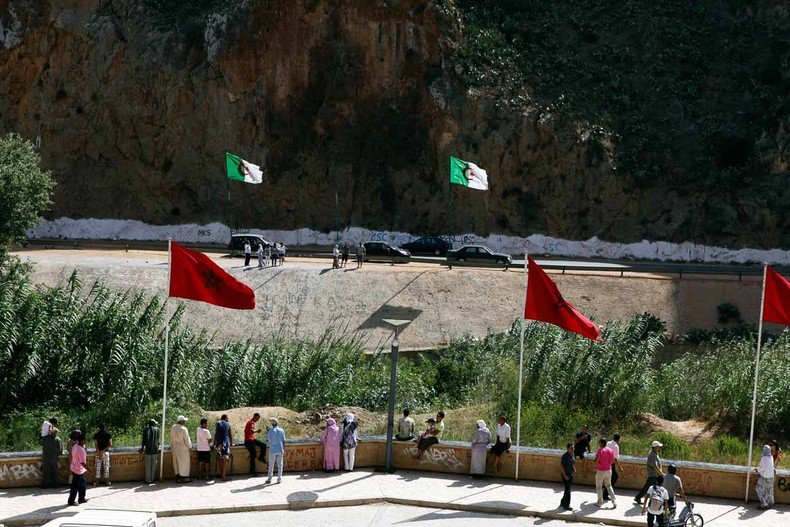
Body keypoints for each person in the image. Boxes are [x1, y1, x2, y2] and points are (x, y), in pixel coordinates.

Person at [595, 438, 617, 507]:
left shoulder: (600, 451)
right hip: (608, 470)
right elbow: (613, 461)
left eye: (599, 443)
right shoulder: (611, 450)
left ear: (601, 443)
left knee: (599, 486)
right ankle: (614, 502)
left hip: (600, 471)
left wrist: (597, 465)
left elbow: (597, 460)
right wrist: (608, 464)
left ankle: (600, 502)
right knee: (609, 486)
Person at [67, 434, 89, 506]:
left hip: (76, 468)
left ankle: (81, 498)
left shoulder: (75, 446)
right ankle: (71, 501)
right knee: (75, 486)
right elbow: (82, 462)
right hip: (77, 470)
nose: (86, 441)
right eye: (85, 440)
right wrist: (89, 469)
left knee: (82, 484)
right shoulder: (80, 450)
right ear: (82, 441)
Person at [170, 415, 192, 483]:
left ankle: (178, 478)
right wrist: (190, 447)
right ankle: (185, 478)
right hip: (183, 448)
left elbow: (171, 437)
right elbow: (187, 439)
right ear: (181, 421)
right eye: (184, 421)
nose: (185, 422)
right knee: (184, 463)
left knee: (176, 463)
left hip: (175, 448)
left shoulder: (173, 427)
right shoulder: (184, 429)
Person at [603, 434, 623, 501]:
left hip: (604, 462)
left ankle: (605, 493)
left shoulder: (608, 443)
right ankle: (606, 493)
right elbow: (615, 459)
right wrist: (620, 467)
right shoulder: (616, 446)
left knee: (610, 478)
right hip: (611, 464)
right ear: (618, 439)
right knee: (614, 477)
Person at [266, 417, 286, 484]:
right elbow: (284, 440)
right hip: (280, 449)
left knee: (271, 465)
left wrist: (267, 432)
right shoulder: (282, 430)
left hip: (272, 450)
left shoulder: (270, 431)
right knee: (280, 465)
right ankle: (279, 479)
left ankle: (269, 479)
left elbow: (268, 440)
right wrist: (283, 449)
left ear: (272, 423)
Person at [140, 419, 160, 484]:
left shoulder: (145, 430)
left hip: (148, 450)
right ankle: (152, 479)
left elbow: (144, 441)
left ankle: (148, 480)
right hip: (155, 449)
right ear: (154, 424)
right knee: (153, 466)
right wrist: (158, 447)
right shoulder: (157, 430)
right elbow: (158, 440)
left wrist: (142, 448)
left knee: (148, 466)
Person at [755, 445, 775, 509]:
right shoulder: (771, 457)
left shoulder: (764, 458)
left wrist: (757, 469)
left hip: (765, 477)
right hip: (771, 477)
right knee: (768, 491)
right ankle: (767, 504)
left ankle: (764, 504)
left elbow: (762, 468)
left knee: (758, 488)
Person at [214, 414, 232, 481]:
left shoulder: (218, 423)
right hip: (225, 442)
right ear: (226, 418)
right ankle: (223, 477)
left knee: (220, 458)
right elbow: (230, 434)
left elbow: (216, 434)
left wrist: (214, 443)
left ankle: (222, 474)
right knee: (225, 458)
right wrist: (231, 443)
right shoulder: (228, 424)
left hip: (219, 443)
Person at [560, 443, 575, 510]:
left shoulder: (572, 455)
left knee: (567, 490)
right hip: (566, 476)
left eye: (573, 448)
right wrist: (565, 476)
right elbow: (562, 467)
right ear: (568, 449)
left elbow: (572, 462)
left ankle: (562, 502)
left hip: (571, 475)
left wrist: (574, 468)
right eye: (571, 448)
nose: (573, 449)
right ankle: (566, 505)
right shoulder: (564, 456)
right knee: (568, 491)